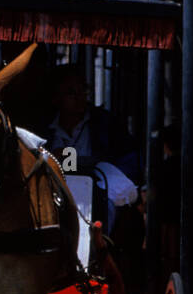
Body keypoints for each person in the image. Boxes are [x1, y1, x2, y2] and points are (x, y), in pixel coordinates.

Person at [45, 65, 140, 233]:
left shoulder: (104, 123)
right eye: (71, 93)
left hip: (95, 198)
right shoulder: (45, 129)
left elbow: (129, 158)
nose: (80, 98)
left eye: (83, 91)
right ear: (55, 98)